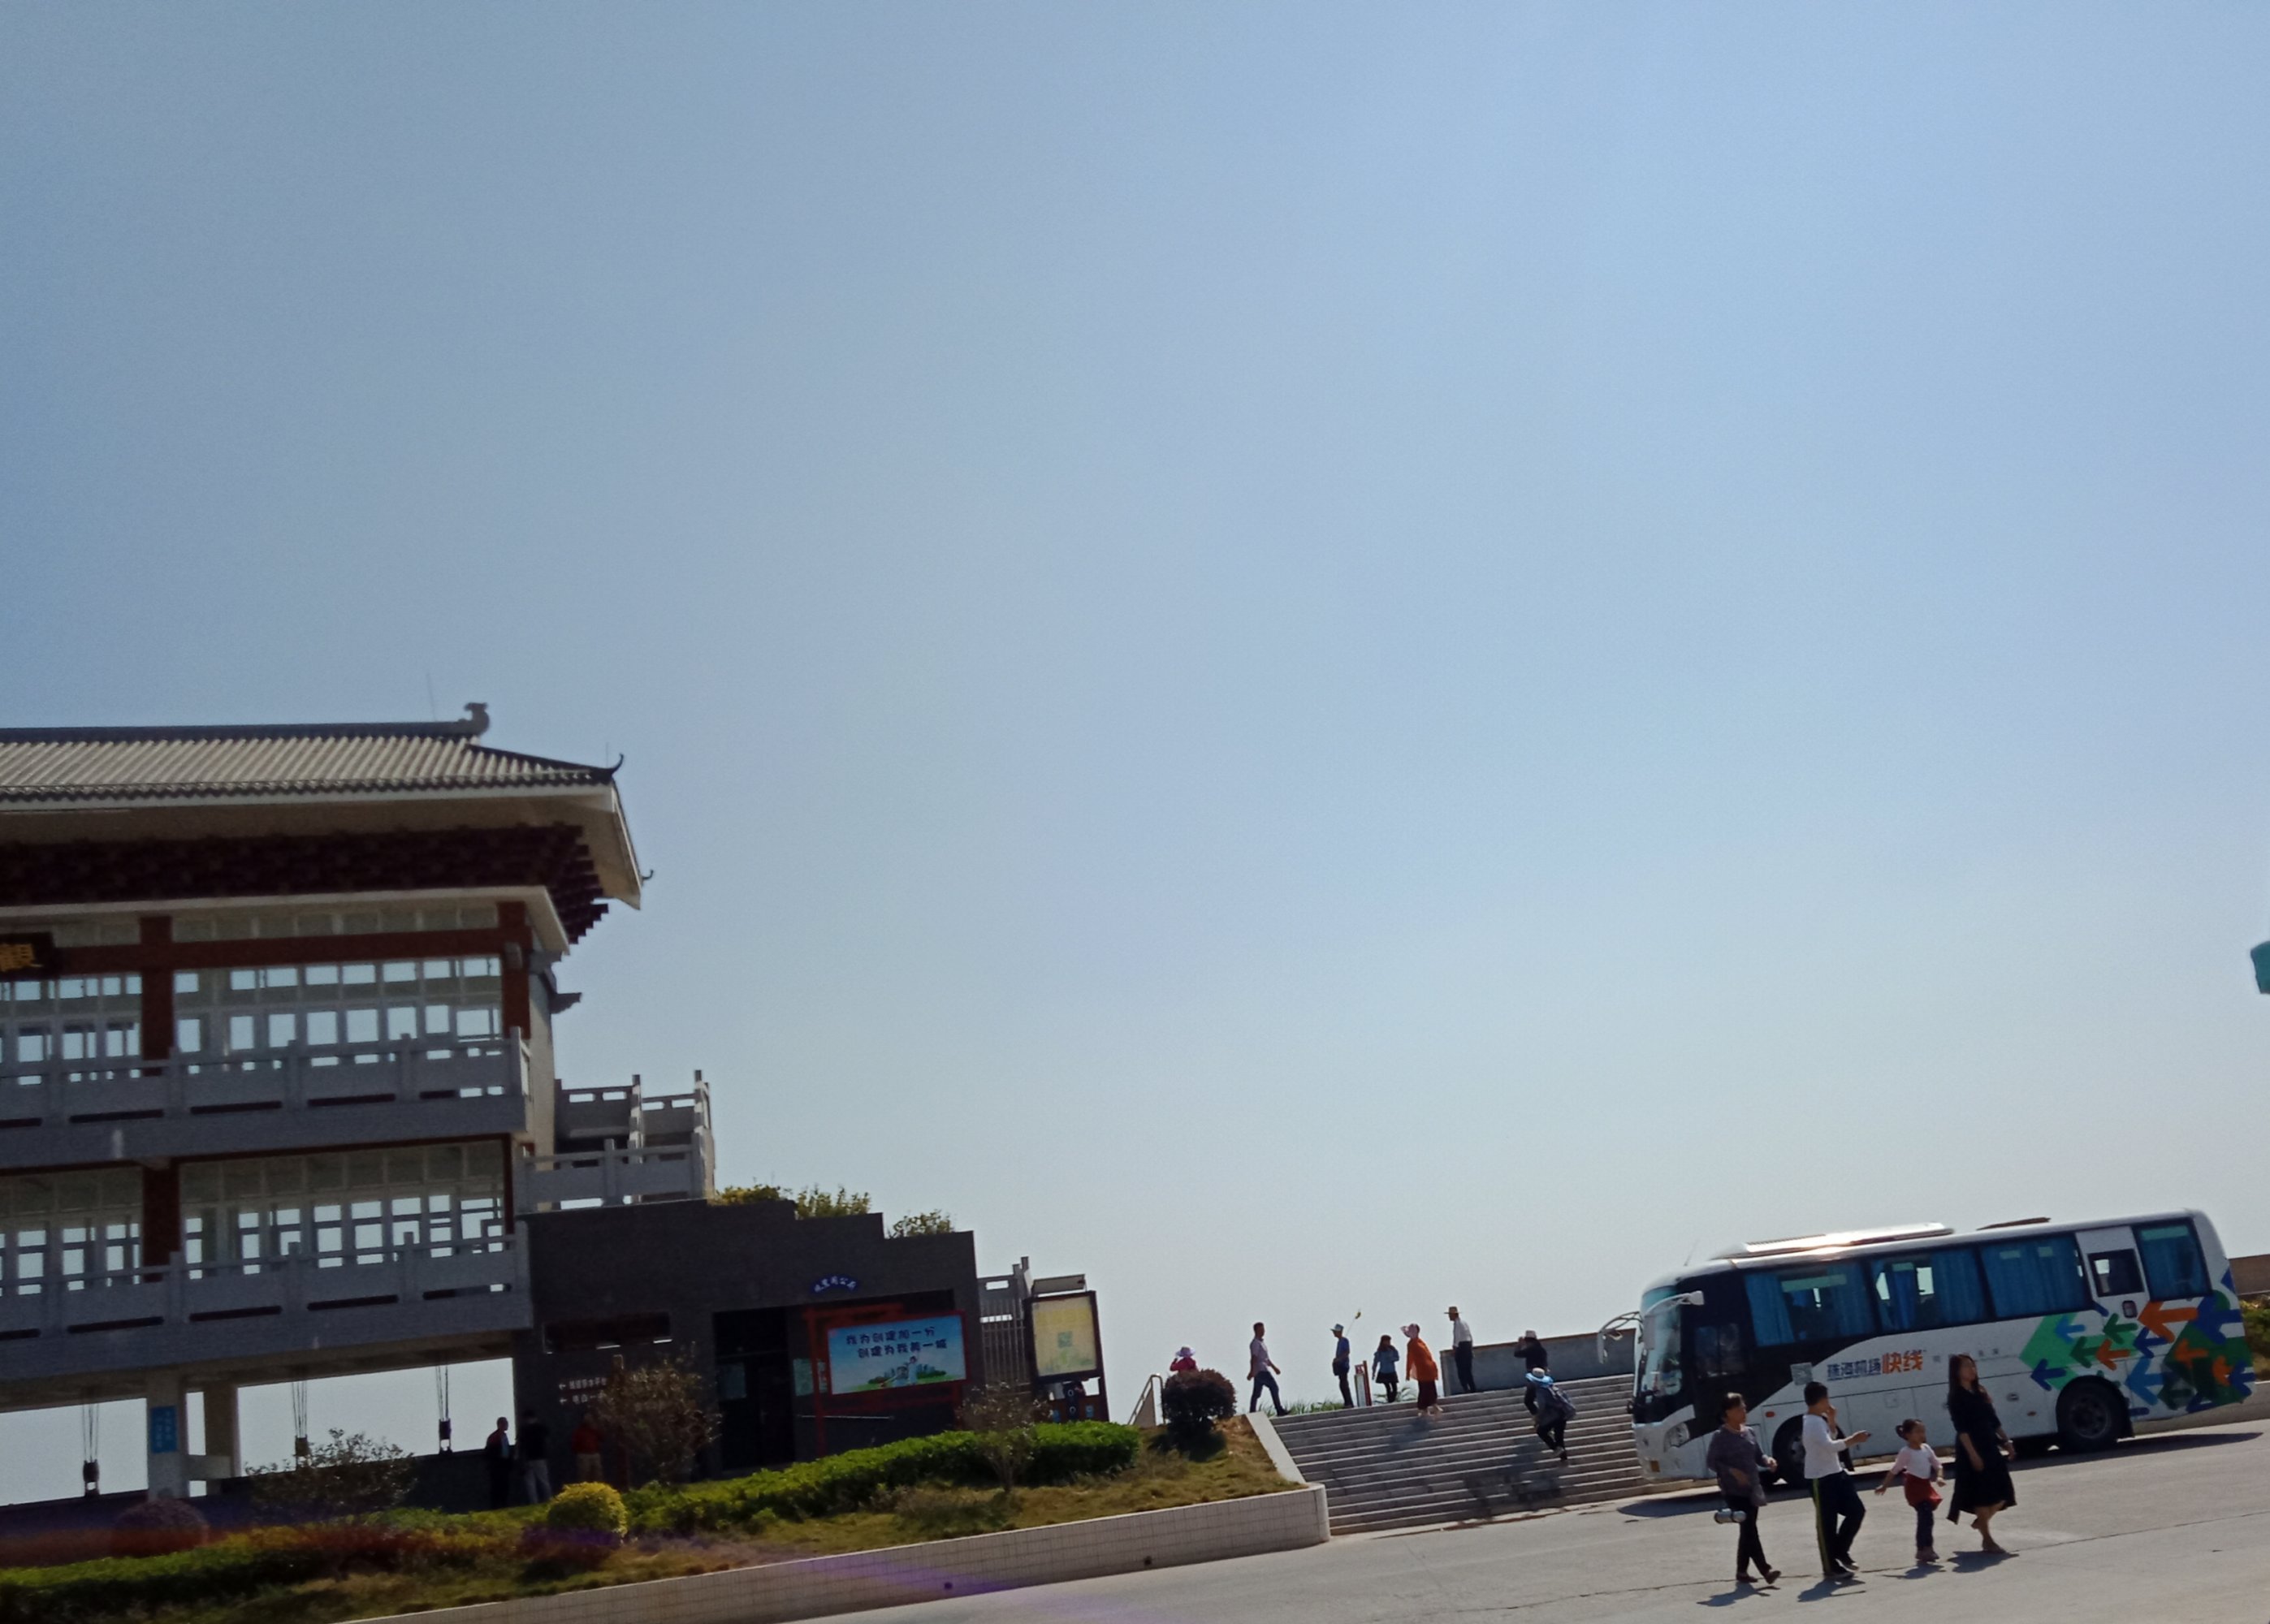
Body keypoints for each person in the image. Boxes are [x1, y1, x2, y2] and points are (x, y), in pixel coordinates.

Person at [1704, 1394, 1780, 1587]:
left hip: (1752, 1488)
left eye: (1744, 1408)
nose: (1744, 1412)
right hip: (1733, 1491)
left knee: (1747, 1530)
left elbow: (1758, 1455)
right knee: (1750, 1529)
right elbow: (1712, 1462)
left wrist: (1768, 1461)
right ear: (1728, 1413)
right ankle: (1765, 1570)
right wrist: (1731, 1471)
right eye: (1739, 1409)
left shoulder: (1749, 1432)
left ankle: (1741, 1571)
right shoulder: (1720, 1436)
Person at [1947, 1354, 2016, 1555]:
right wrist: (1973, 1455)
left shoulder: (1980, 1391)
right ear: (1957, 1371)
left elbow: (1994, 1420)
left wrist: (2007, 1441)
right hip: (1971, 1447)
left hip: (1989, 1445)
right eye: (1966, 1366)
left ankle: (1981, 1522)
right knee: (1982, 1495)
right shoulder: (1956, 1397)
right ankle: (1987, 1539)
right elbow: (1962, 1429)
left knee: (2003, 1492)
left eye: (1973, 1366)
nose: (1972, 1370)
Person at [1801, 1381, 1869, 1581]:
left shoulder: (1819, 1420)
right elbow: (1830, 1446)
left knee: (1856, 1511)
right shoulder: (1811, 1423)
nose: (1829, 1403)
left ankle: (1840, 1550)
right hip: (1820, 1478)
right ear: (1821, 1400)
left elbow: (1830, 1437)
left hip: (1836, 1472)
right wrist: (1854, 1439)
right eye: (1827, 1399)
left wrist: (1831, 1420)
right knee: (1827, 1524)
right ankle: (1830, 1565)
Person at [1874, 1418, 1943, 1564]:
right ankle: (1925, 1549)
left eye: (1923, 1431)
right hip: (1914, 1487)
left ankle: (1924, 1549)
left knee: (1927, 1517)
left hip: (1925, 1486)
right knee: (1925, 1516)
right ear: (1907, 1435)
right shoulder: (1906, 1452)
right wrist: (1884, 1485)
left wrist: (1940, 1477)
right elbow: (1895, 1470)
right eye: (1918, 1432)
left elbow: (1937, 1464)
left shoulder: (1926, 1448)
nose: (1922, 1434)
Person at [1525, 1367, 1573, 1462]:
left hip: (1552, 1416)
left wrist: (1538, 1418)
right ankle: (1564, 1459)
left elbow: (1542, 1406)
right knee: (1559, 1437)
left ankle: (1555, 1448)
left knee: (1541, 1431)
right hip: (1562, 1414)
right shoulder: (1552, 1387)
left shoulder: (1540, 1391)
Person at [1403, 1324, 1443, 1415]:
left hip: (1428, 1369)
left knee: (1430, 1388)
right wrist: (1408, 1372)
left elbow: (1427, 1356)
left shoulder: (1420, 1342)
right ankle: (1426, 1409)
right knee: (1424, 1389)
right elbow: (1410, 1358)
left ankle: (1431, 1407)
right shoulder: (1412, 1344)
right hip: (1422, 1370)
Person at [1247, 1322, 1286, 1416]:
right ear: (1256, 1330)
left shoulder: (1262, 1343)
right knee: (1274, 1387)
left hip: (1261, 1370)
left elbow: (1266, 1359)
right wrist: (1252, 1371)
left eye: (1263, 1329)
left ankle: (1252, 1412)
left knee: (1256, 1393)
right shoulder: (1255, 1343)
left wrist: (1274, 1368)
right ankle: (1279, 1409)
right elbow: (1254, 1358)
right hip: (1261, 1370)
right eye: (1261, 1330)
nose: (1263, 1331)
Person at [518, 1410, 553, 1503]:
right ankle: (549, 1499)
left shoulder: (523, 1430)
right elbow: (547, 1441)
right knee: (544, 1480)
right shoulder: (541, 1428)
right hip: (540, 1457)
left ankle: (533, 1502)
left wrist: (521, 1458)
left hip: (528, 1458)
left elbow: (521, 1445)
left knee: (530, 1483)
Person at [482, 1415, 514, 1510]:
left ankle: (504, 1503)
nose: (507, 1425)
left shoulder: (504, 1436)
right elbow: (490, 1452)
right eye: (505, 1423)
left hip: (504, 1464)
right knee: (496, 1486)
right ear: (500, 1425)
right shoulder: (494, 1437)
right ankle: (496, 1505)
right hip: (497, 1465)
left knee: (505, 1485)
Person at [1515, 1329, 1549, 1414]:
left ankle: (1538, 1416)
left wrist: (1519, 1345)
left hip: (1533, 1378)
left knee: (1528, 1401)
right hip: (1544, 1377)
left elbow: (1517, 1354)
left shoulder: (1530, 1350)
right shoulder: (1542, 1350)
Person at [1447, 1307, 1477, 1395]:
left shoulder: (1457, 1324)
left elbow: (1457, 1337)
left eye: (1450, 1315)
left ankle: (1466, 1389)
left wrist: (1454, 1349)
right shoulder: (1464, 1323)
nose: (1449, 1317)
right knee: (1468, 1370)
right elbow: (1470, 1336)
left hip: (1462, 1348)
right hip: (1468, 1346)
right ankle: (1472, 1388)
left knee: (1461, 1370)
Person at [570, 1413, 604, 1484]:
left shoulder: (595, 1430)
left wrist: (596, 1429)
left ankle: (598, 1488)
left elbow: (602, 1438)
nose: (589, 1420)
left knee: (597, 1474)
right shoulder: (579, 1431)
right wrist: (579, 1451)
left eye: (590, 1418)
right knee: (584, 1475)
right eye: (587, 1418)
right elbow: (574, 1443)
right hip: (584, 1455)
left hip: (595, 1454)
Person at [1331, 1324, 1355, 1408]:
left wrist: (1339, 1359)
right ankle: (1347, 1402)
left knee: (1344, 1384)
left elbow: (1347, 1352)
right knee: (1342, 1384)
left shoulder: (1344, 1341)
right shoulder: (1340, 1341)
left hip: (1343, 1365)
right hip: (1341, 1365)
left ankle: (1349, 1403)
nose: (1334, 1333)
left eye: (1335, 1332)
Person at [1373, 1335, 1401, 1403]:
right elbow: (1375, 1362)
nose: (1388, 1342)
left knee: (1395, 1388)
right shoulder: (1379, 1352)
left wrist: (1391, 1358)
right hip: (1384, 1372)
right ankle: (1390, 1401)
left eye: (1389, 1341)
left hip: (1392, 1371)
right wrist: (1373, 1372)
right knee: (1388, 1387)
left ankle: (1392, 1400)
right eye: (1387, 1341)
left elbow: (1397, 1358)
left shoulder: (1392, 1349)